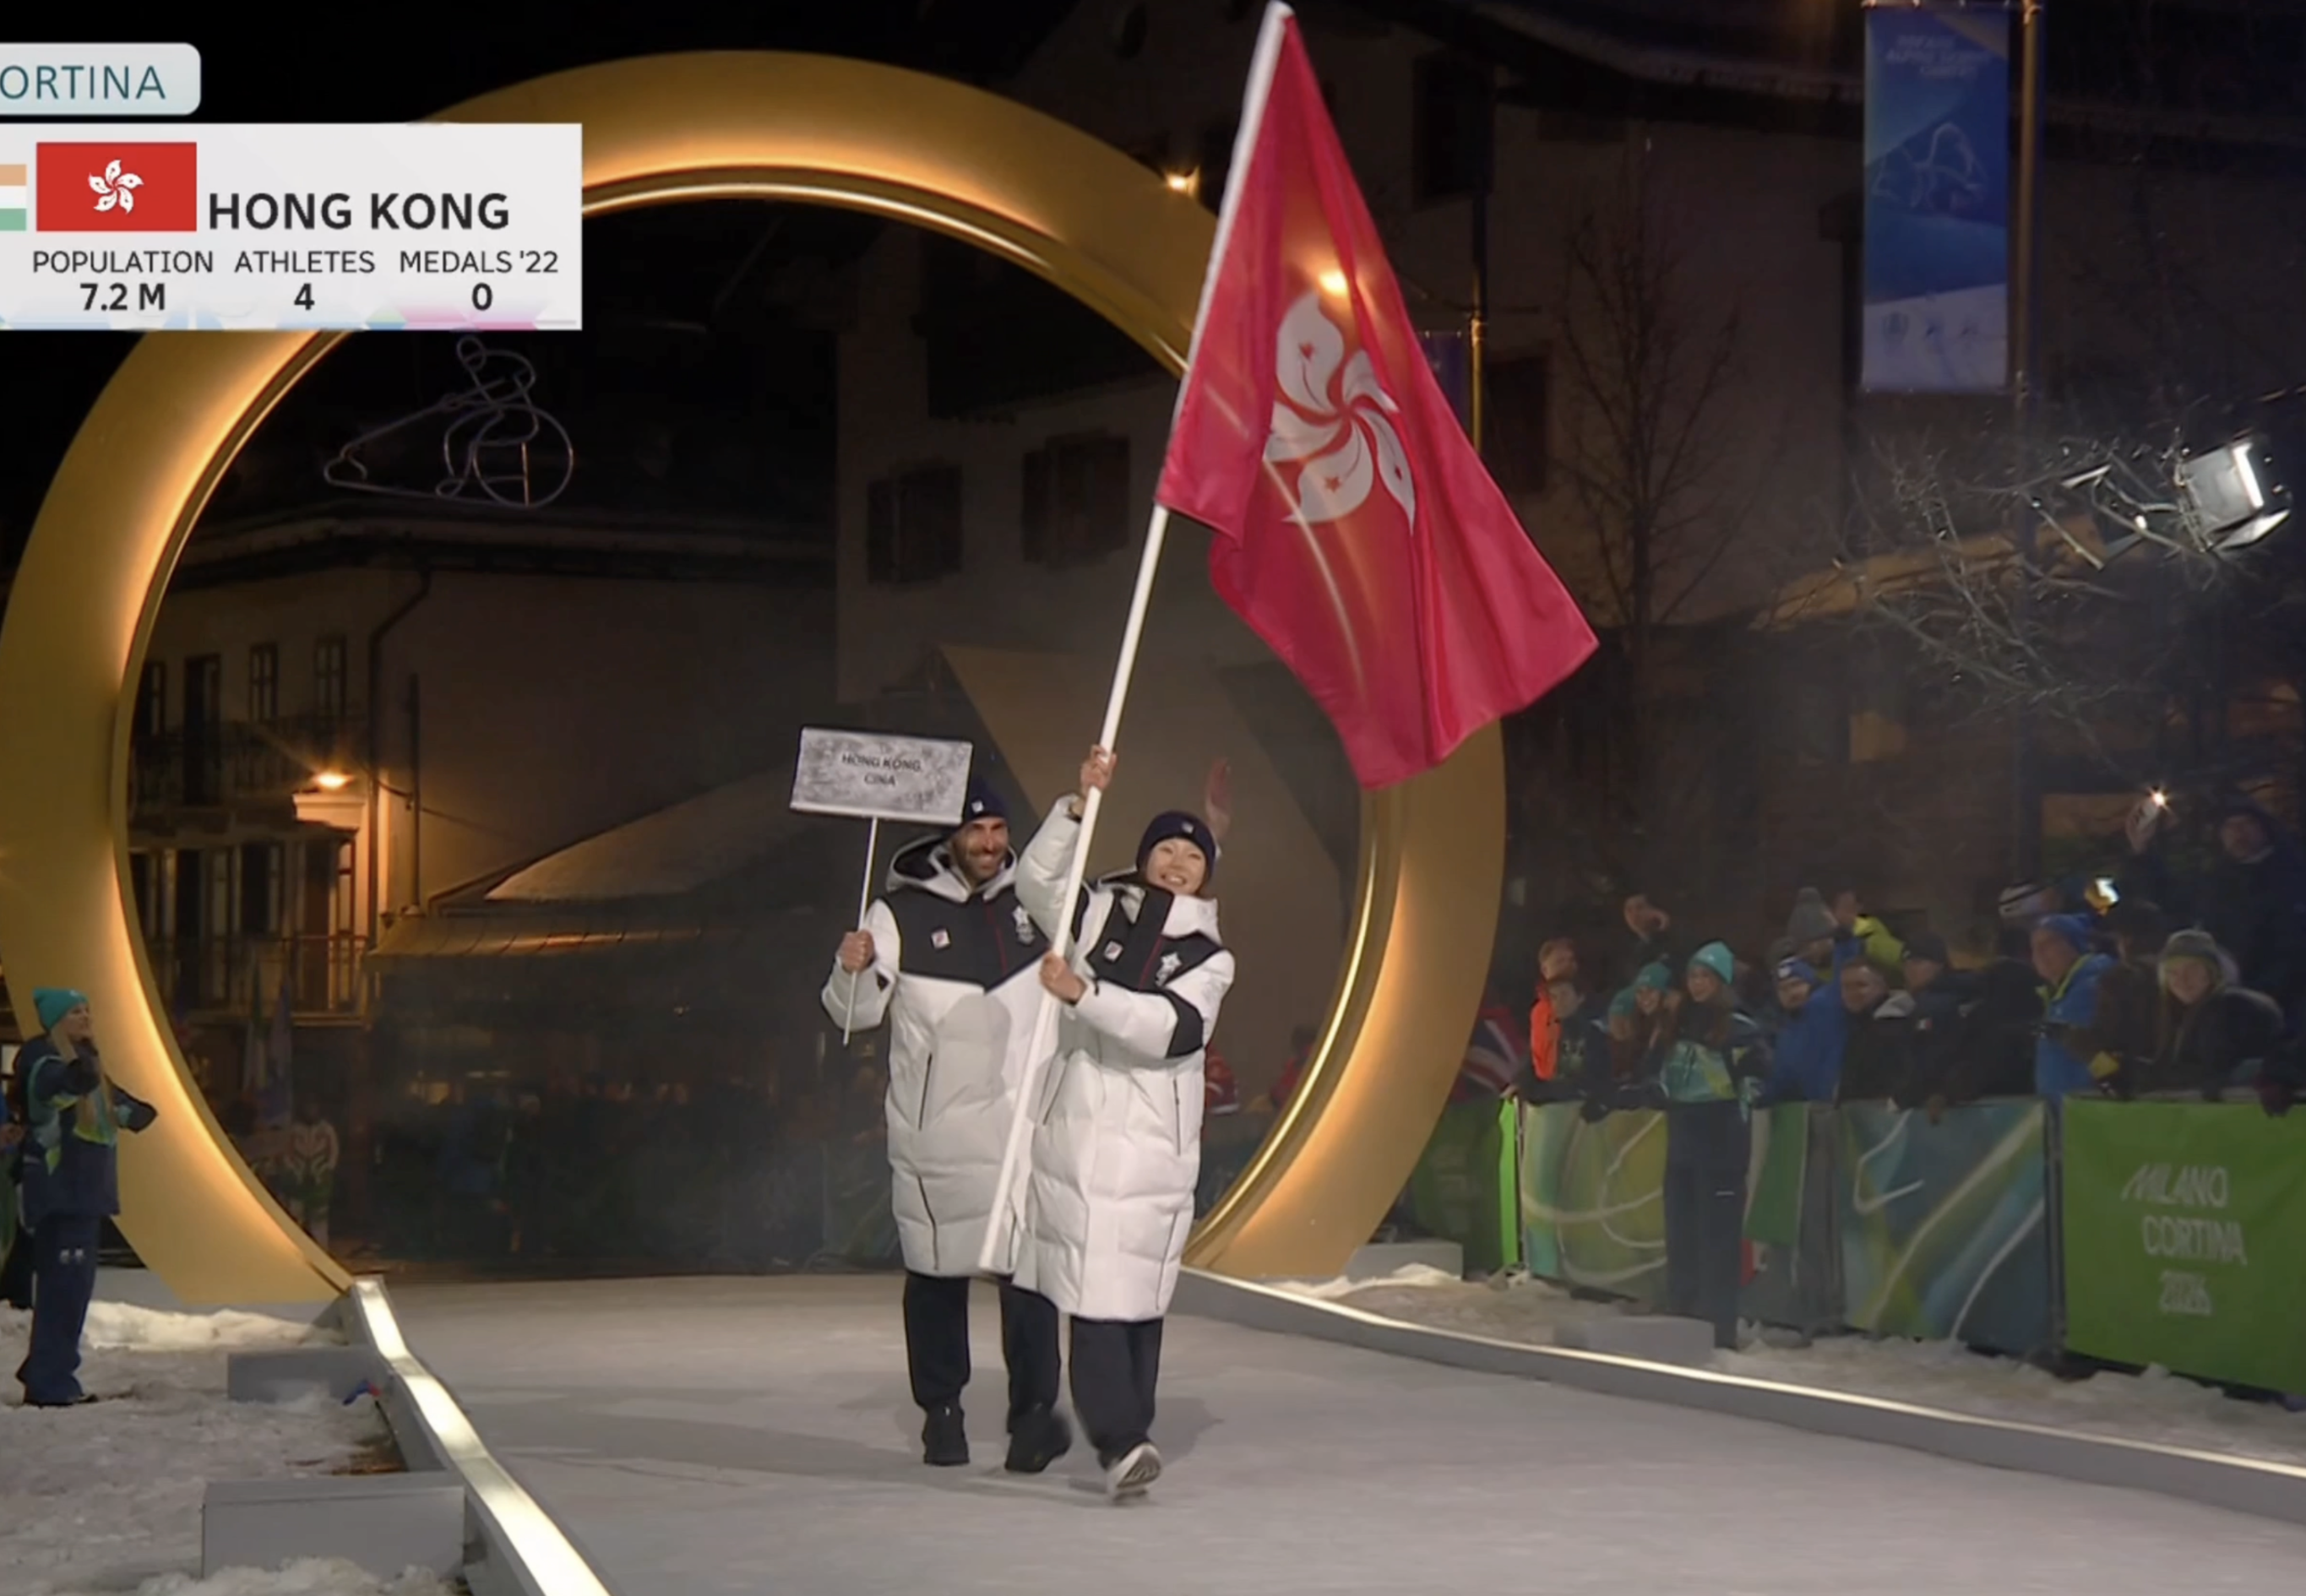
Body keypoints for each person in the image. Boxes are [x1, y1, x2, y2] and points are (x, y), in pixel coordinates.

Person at [819, 779, 1069, 1473]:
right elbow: (854, 1016)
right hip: (939, 1137)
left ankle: (1031, 1422)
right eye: (975, 830)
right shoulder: (897, 911)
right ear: (948, 836)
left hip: (1023, 1130)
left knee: (1032, 1282)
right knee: (936, 1276)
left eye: (997, 829)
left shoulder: (1036, 904)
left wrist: (1077, 805)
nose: (990, 843)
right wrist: (851, 971)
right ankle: (944, 1415)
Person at [1012, 746, 1235, 1500]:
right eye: (1163, 849)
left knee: (1138, 1299)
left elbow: (1171, 1029)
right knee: (1098, 1287)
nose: (1176, 862)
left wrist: (1083, 995)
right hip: (1081, 1132)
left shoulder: (1211, 957)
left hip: (1155, 1152)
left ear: (1206, 872)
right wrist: (1078, 806)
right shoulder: (1101, 909)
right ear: (1143, 859)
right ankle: (1119, 1438)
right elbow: (1037, 882)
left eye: (1190, 853)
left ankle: (1131, 1430)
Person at [15, 989, 156, 1407]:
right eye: (76, 1011)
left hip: (85, 1194)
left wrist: (135, 1113)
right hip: (63, 1193)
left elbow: (115, 1105)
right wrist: (74, 1078)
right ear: (58, 1019)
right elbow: (50, 1089)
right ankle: (49, 1381)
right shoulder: (46, 1058)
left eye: (87, 1010)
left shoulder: (88, 1060)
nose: (85, 1017)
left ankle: (51, 1371)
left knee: (72, 1291)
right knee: (63, 1289)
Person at [1652, 943, 1770, 1349]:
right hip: (1682, 1141)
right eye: (1693, 976)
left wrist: (1748, 1088)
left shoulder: (1738, 1027)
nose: (1698, 984)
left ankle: (1719, 1328)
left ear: (1721, 982)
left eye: (1706, 977)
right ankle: (1682, 1318)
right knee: (1681, 1235)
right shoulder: (1678, 1023)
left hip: (1720, 1144)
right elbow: (1661, 1078)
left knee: (1718, 1239)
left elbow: (1762, 1075)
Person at [2132, 930, 2286, 1100]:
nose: (2182, 979)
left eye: (2192, 969)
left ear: (2212, 972)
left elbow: (2209, 1071)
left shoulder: (2231, 1007)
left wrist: (2143, 1074)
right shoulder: (2179, 1014)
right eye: (2172, 972)